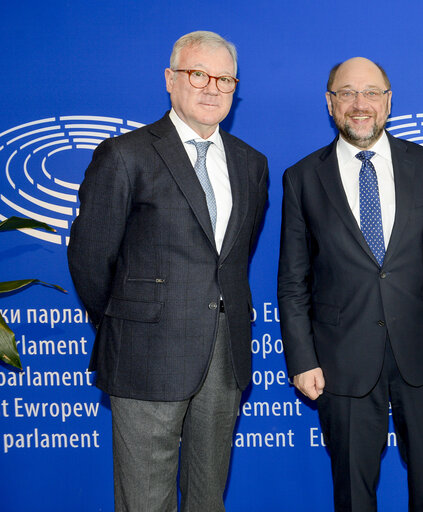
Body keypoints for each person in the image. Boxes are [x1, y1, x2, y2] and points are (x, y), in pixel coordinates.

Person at [67, 30, 268, 511]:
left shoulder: (251, 164)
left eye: (224, 79)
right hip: (144, 356)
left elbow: (232, 260)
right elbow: (91, 258)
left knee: (207, 498)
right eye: (198, 74)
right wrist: (128, 322)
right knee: (144, 501)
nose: (211, 87)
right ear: (170, 79)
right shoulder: (125, 155)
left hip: (224, 358)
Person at [277, 56, 423, 512]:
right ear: (330, 104)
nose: (359, 104)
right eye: (346, 93)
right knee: (352, 495)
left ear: (388, 101)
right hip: (341, 359)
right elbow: (292, 281)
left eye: (370, 93)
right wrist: (302, 360)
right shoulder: (303, 178)